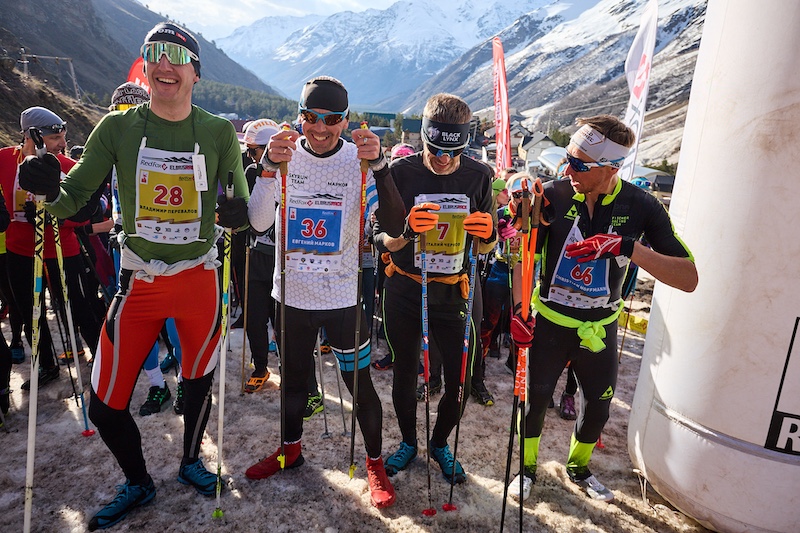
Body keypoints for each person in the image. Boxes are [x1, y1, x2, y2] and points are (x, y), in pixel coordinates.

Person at [19, 22, 250, 530]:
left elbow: (242, 206)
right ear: (145, 66)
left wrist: (240, 214)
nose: (165, 64)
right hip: (140, 281)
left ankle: (190, 461)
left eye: (176, 56)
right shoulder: (117, 128)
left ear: (195, 72)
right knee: (104, 404)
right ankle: (139, 480)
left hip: (198, 281)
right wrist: (44, 186)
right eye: (154, 54)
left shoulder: (217, 132)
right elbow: (70, 200)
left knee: (198, 384)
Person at [508, 114, 697, 502]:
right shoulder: (555, 194)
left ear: (612, 167)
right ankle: (526, 469)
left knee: (597, 408)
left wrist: (627, 247)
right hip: (551, 322)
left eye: (578, 164)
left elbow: (688, 277)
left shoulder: (641, 205)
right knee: (534, 401)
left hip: (600, 327)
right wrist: (519, 309)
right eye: (567, 159)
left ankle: (578, 468)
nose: (567, 169)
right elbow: (521, 255)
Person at [245, 76, 396, 509]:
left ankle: (374, 463)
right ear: (300, 117)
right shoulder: (285, 155)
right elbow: (258, 223)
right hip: (292, 296)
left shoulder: (358, 161)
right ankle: (290, 450)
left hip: (342, 299)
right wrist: (268, 170)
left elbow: (391, 222)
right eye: (311, 117)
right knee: (294, 383)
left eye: (332, 120)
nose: (320, 128)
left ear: (346, 121)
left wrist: (381, 167)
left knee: (358, 386)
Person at [373, 93, 497, 485]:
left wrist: (488, 235)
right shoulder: (401, 171)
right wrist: (407, 232)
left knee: (460, 380)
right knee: (405, 372)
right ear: (423, 136)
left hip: (453, 292)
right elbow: (379, 237)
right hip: (405, 288)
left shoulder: (479, 175)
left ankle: (440, 443)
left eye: (454, 151)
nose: (443, 159)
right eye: (435, 149)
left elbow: (488, 244)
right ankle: (409, 442)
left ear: (466, 142)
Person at [1, 106, 102, 390]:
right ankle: (46, 363)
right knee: (30, 312)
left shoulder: (66, 166)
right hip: (20, 250)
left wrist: (57, 217)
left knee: (79, 307)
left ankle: (100, 356)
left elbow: (85, 211)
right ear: (33, 135)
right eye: (56, 137)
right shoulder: (5, 159)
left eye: (63, 136)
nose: (62, 143)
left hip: (62, 249)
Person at [239, 118, 280, 393]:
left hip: (282, 258)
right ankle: (261, 367)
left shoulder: (291, 172)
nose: (251, 156)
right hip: (254, 255)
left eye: (253, 151)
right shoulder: (251, 171)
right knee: (254, 317)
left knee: (282, 320)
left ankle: (292, 368)